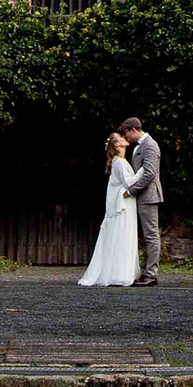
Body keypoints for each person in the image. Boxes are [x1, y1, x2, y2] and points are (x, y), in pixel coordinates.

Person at [77, 132, 138, 287]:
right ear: (117, 145)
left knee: (124, 234)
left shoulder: (120, 161)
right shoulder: (119, 163)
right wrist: (144, 171)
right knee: (123, 234)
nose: (124, 138)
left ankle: (122, 272)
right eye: (121, 138)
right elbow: (129, 182)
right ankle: (120, 274)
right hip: (123, 204)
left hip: (127, 202)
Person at [119, 117, 164, 286]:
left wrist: (131, 191)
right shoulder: (141, 145)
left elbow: (149, 173)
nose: (125, 137)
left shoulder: (150, 145)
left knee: (151, 236)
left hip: (149, 196)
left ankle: (151, 275)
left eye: (126, 133)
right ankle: (146, 273)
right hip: (142, 196)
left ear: (133, 129)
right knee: (146, 236)